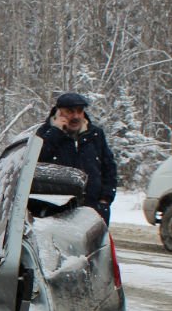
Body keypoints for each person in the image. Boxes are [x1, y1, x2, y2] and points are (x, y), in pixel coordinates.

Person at [36, 92, 118, 223]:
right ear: (58, 112)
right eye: (69, 111)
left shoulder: (95, 134)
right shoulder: (44, 134)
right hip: (56, 215)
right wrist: (56, 132)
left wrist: (105, 201)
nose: (75, 116)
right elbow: (36, 161)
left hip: (93, 213)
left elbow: (109, 169)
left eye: (79, 111)